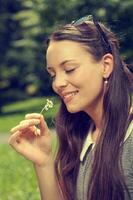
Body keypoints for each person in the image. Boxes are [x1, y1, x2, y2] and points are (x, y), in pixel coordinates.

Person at [9, 15, 133, 200]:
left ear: (106, 66)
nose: (58, 83)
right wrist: (43, 162)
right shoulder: (79, 137)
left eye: (69, 69)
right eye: (52, 74)